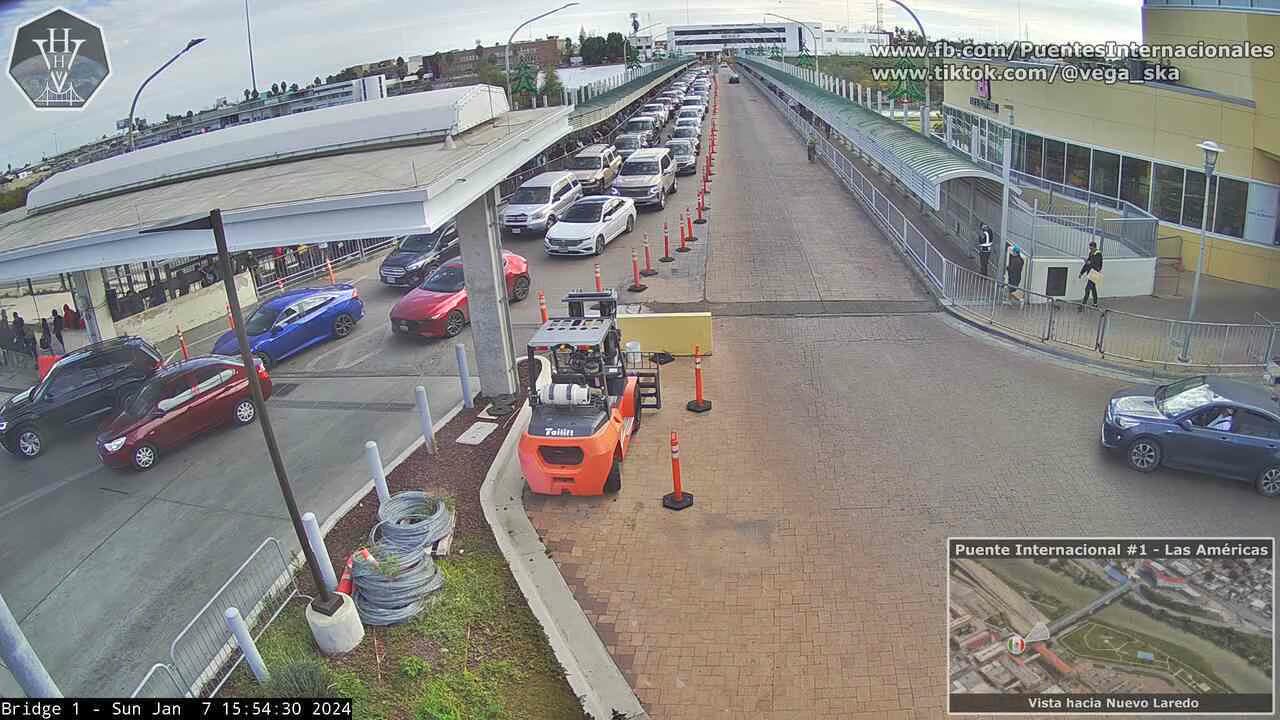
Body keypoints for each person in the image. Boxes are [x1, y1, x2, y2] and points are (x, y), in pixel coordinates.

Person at [1079, 241, 1103, 309]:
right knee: (1093, 289)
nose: (1090, 249)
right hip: (1090, 273)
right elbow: (1087, 264)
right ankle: (1095, 303)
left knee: (1087, 289)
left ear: (1094, 247)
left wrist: (1089, 262)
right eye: (1089, 248)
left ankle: (1083, 305)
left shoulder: (1098, 254)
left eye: (1091, 248)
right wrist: (1081, 272)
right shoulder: (1091, 253)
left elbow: (1097, 266)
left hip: (1095, 273)